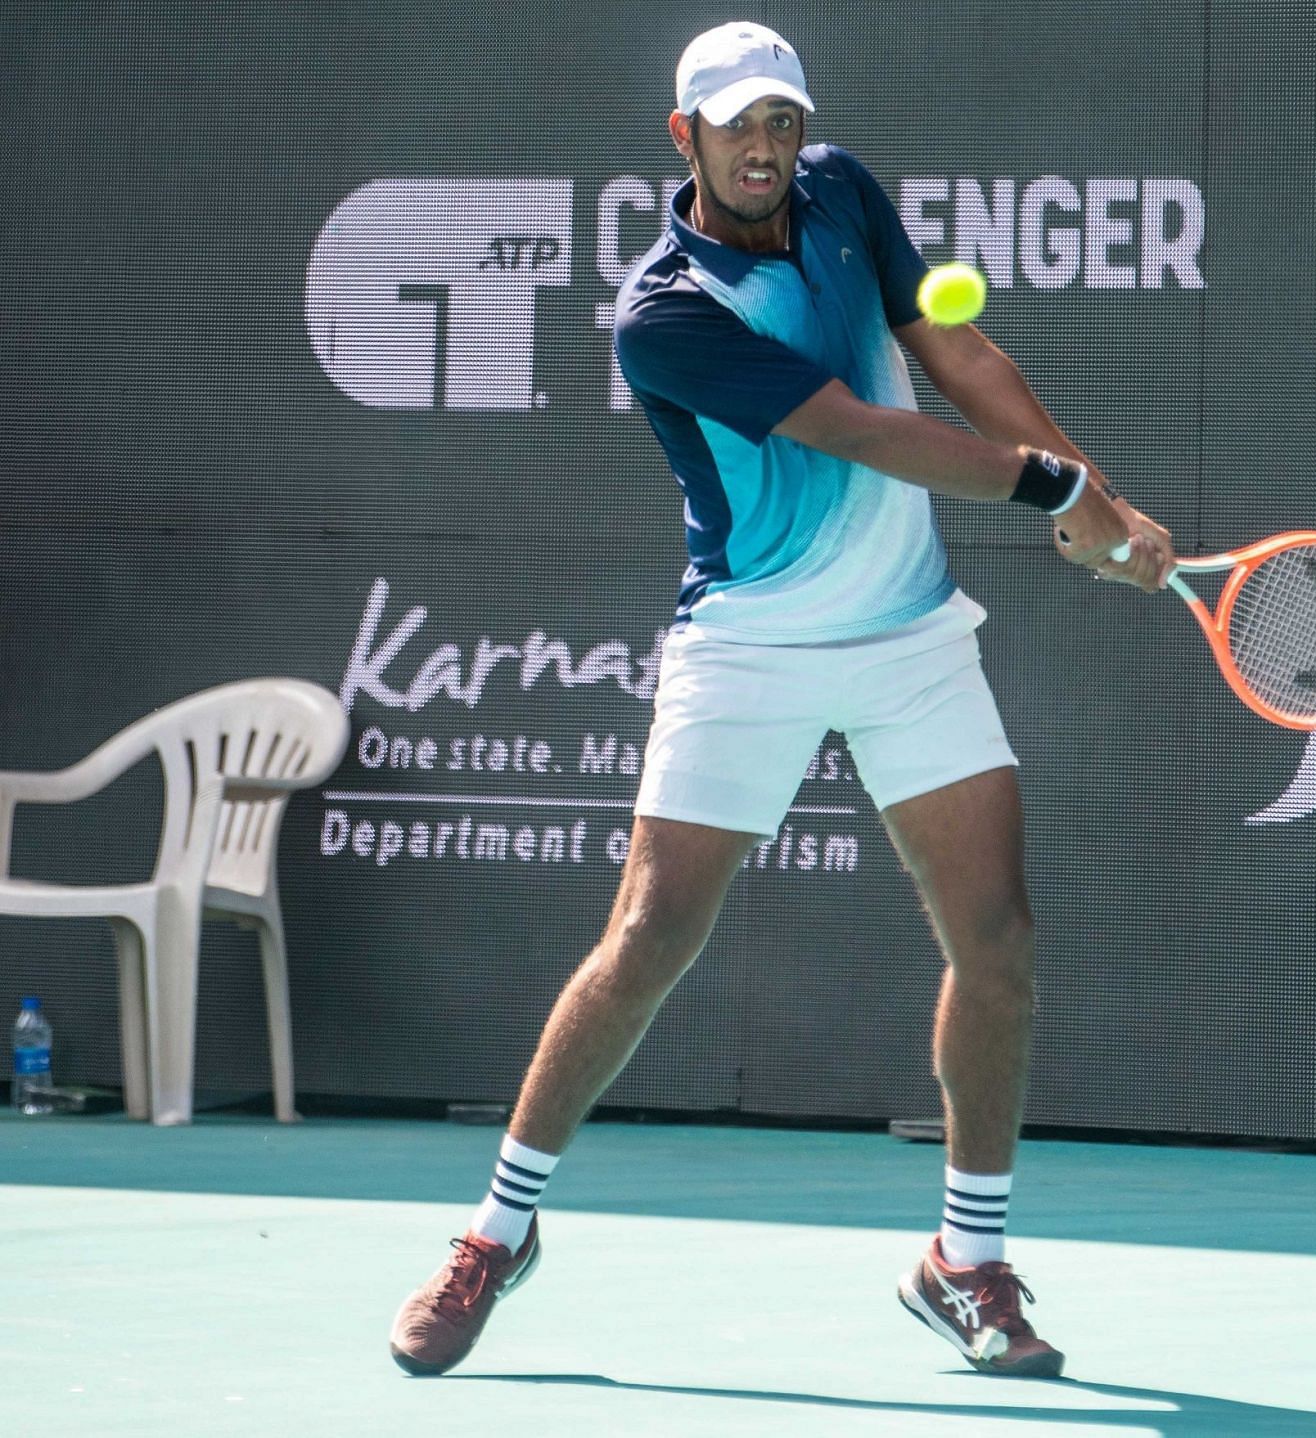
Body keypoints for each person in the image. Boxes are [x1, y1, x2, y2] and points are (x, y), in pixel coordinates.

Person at [389, 20, 1173, 1381]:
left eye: (785, 121)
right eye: (740, 122)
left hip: (909, 634)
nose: (769, 145)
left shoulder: (844, 194)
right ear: (682, 135)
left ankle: (966, 1264)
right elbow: (858, 430)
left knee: (1001, 942)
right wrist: (1056, 498)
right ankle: (496, 1230)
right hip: (749, 638)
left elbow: (955, 350)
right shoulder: (666, 316)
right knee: (646, 935)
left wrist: (1089, 484)